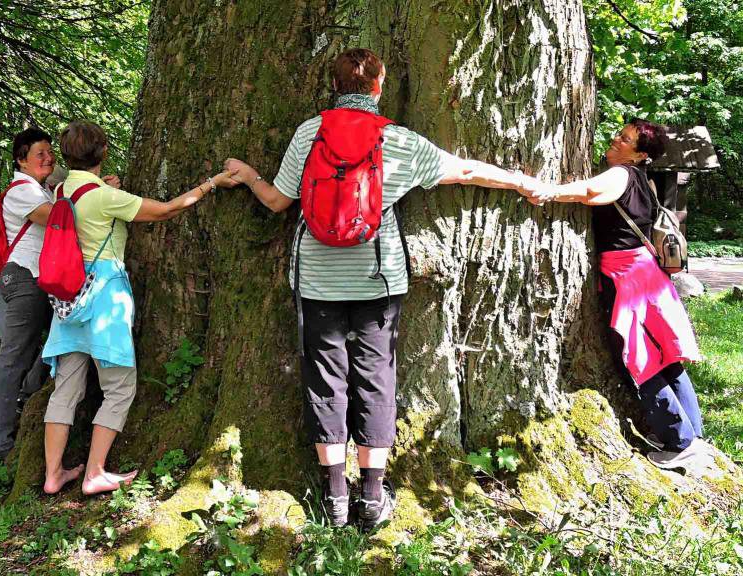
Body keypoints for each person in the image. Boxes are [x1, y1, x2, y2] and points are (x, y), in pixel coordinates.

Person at [223, 48, 537, 530]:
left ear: (334, 85)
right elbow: (466, 171)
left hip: (317, 278)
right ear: (379, 85)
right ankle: (372, 496)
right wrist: (518, 181)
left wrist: (249, 176)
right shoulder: (398, 139)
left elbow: (278, 201)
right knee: (375, 376)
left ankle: (335, 495)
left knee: (325, 377)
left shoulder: (310, 133)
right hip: (378, 277)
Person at [40, 120, 239, 495]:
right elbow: (166, 210)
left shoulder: (63, 189)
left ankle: (53, 475)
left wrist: (108, 190)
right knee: (119, 388)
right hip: (103, 298)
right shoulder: (104, 196)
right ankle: (94, 473)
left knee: (65, 389)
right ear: (102, 152)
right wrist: (211, 183)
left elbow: (91, 206)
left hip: (69, 296)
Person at [524, 119, 708, 471]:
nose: (615, 139)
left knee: (640, 359)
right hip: (648, 276)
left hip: (628, 278)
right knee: (665, 357)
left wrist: (545, 190)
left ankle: (679, 442)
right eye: (619, 134)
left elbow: (589, 192)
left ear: (639, 155)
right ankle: (694, 436)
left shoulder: (622, 174)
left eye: (625, 139)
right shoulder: (643, 180)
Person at [0, 128, 118, 458]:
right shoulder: (21, 191)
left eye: (50, 152)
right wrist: (102, 195)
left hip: (42, 280)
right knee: (15, 356)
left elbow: (69, 197)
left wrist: (96, 187)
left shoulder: (44, 188)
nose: (48, 158)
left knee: (51, 347)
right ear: (21, 160)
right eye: (39, 154)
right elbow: (59, 218)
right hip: (25, 278)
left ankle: (26, 404)